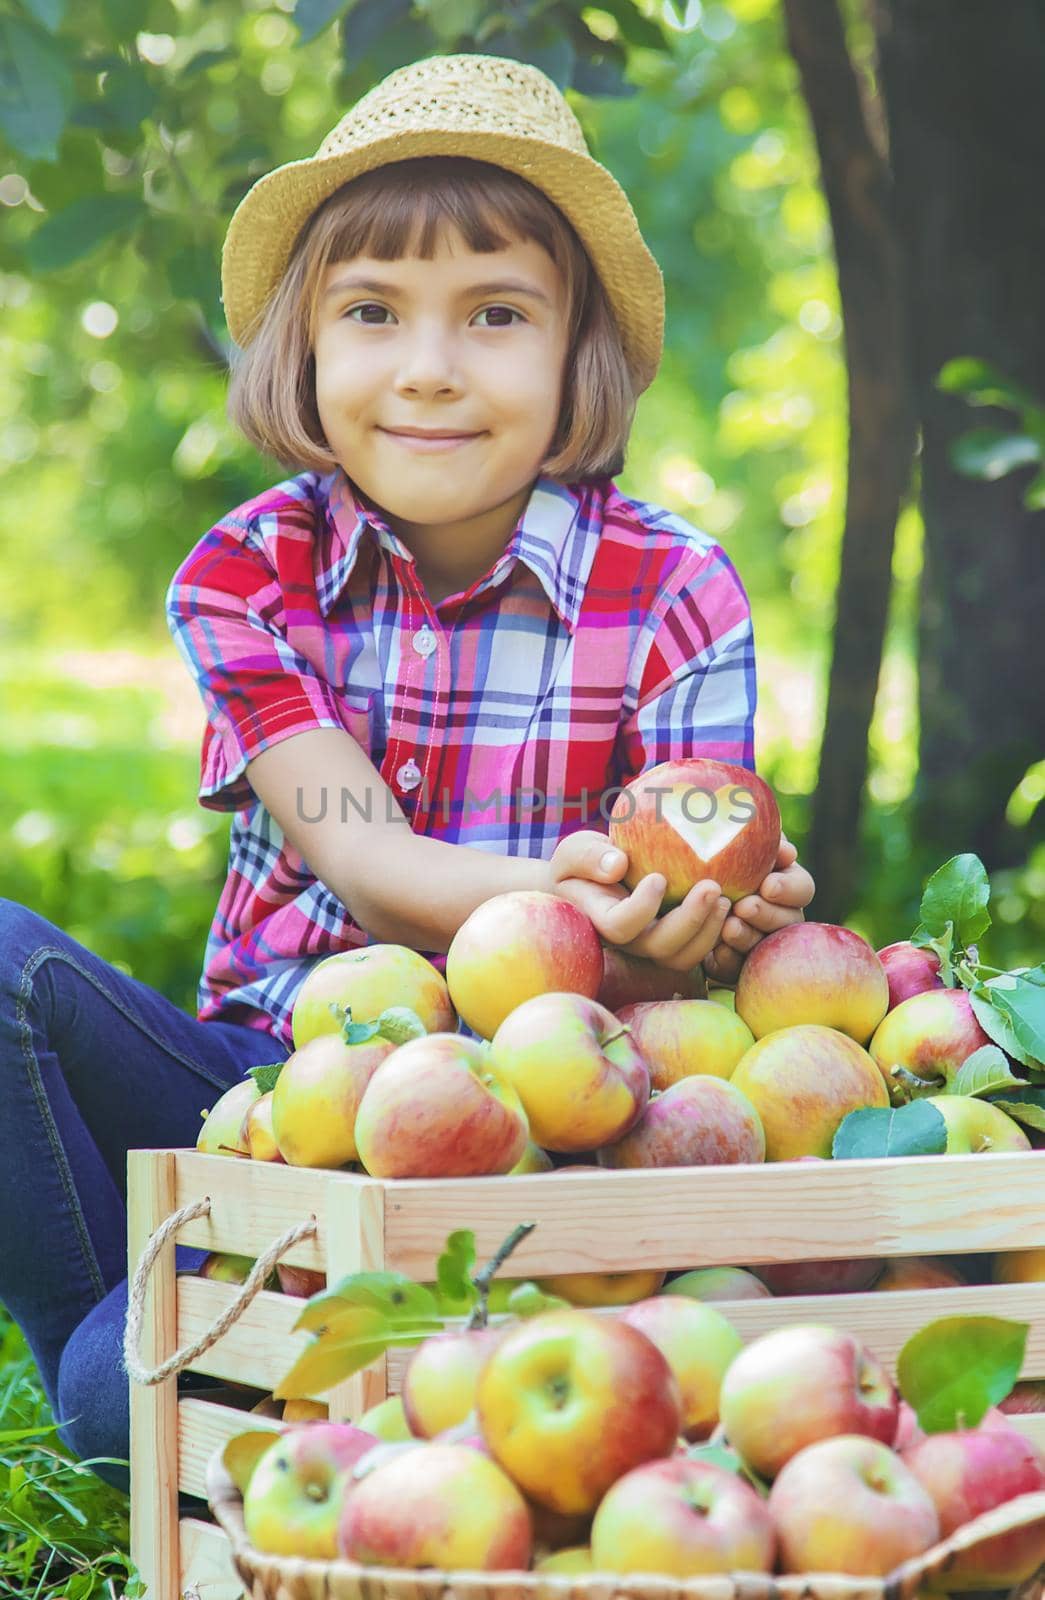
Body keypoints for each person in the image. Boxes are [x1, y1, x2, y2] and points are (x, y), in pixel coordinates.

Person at [0, 52, 813, 1494]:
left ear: (578, 358)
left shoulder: (675, 589)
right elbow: (363, 858)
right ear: (303, 347)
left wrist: (725, 916)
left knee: (148, 1406)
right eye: (372, 313)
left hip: (534, 1132)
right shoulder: (250, 573)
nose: (428, 366)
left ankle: (200, 1349)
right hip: (275, 1099)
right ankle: (104, 1313)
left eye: (495, 315)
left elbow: (700, 855)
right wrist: (580, 887)